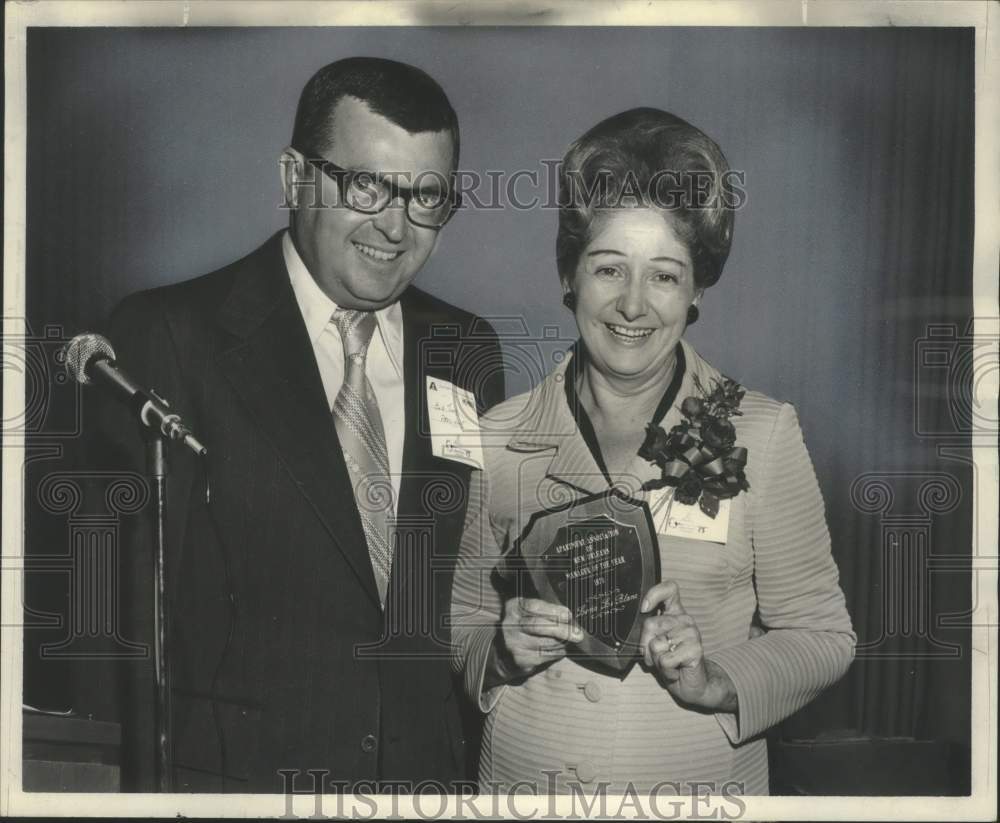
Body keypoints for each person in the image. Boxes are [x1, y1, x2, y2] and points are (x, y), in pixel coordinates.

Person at [79, 57, 504, 792]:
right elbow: (124, 629)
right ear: (294, 177)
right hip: (239, 784)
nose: (395, 227)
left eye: (426, 196)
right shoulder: (169, 335)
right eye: (367, 184)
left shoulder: (464, 350)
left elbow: (461, 586)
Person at [451, 107, 855, 795]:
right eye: (609, 268)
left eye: (664, 275)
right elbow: (460, 617)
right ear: (570, 274)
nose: (633, 305)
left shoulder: (763, 432)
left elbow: (823, 636)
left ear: (698, 288)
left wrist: (715, 680)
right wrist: (497, 653)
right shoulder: (492, 435)